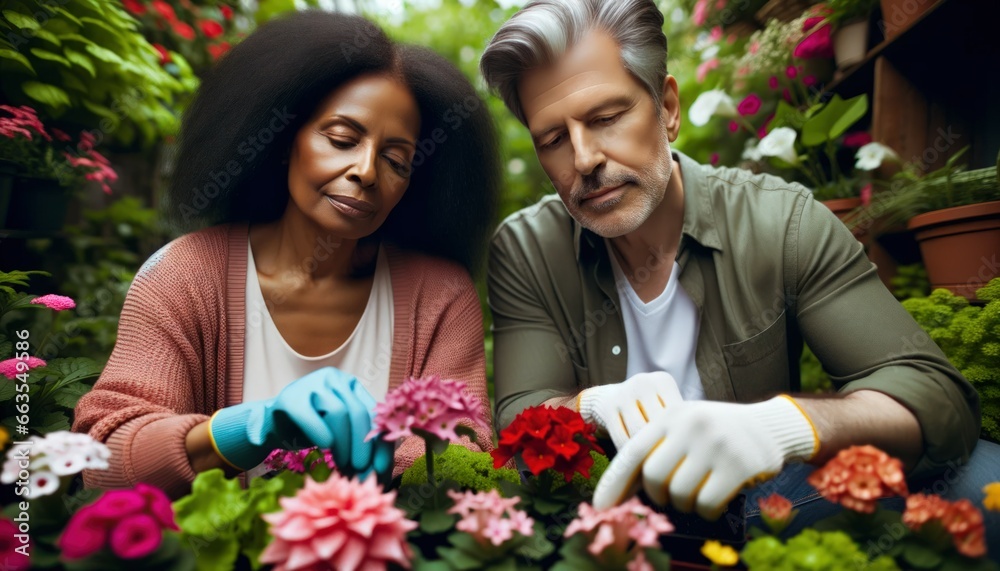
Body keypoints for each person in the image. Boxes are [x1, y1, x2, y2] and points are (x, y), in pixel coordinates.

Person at [480, 0, 999, 550]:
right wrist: (591, 406)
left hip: (771, 508)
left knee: (981, 478)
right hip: (609, 518)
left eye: (607, 118)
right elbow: (519, 415)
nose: (584, 159)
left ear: (668, 107)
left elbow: (934, 392)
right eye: (553, 140)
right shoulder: (526, 248)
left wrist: (781, 427)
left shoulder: (782, 220)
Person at [73, 11, 501, 500]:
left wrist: (403, 467)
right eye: (342, 139)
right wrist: (248, 429)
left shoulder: (440, 296)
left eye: (396, 160)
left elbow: (463, 461)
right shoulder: (183, 275)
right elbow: (102, 463)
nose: (365, 171)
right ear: (281, 141)